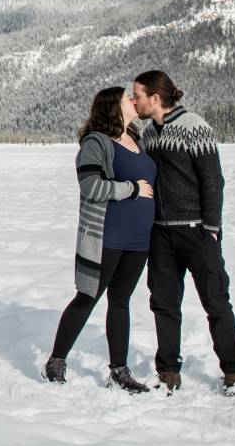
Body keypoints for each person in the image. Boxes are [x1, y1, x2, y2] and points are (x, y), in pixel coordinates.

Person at [132, 69, 235, 393]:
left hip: (196, 232)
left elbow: (213, 181)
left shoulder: (195, 127)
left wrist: (210, 229)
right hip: (161, 236)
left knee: (216, 302)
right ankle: (168, 372)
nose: (134, 100)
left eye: (137, 95)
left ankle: (233, 371)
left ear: (155, 98)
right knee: (164, 304)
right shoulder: (149, 134)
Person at [43, 86, 157, 393]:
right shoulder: (96, 143)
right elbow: (91, 185)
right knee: (88, 296)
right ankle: (56, 361)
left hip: (138, 239)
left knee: (120, 301)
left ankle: (118, 371)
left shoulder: (138, 139)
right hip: (107, 235)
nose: (135, 101)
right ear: (113, 106)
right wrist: (131, 189)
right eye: (128, 98)